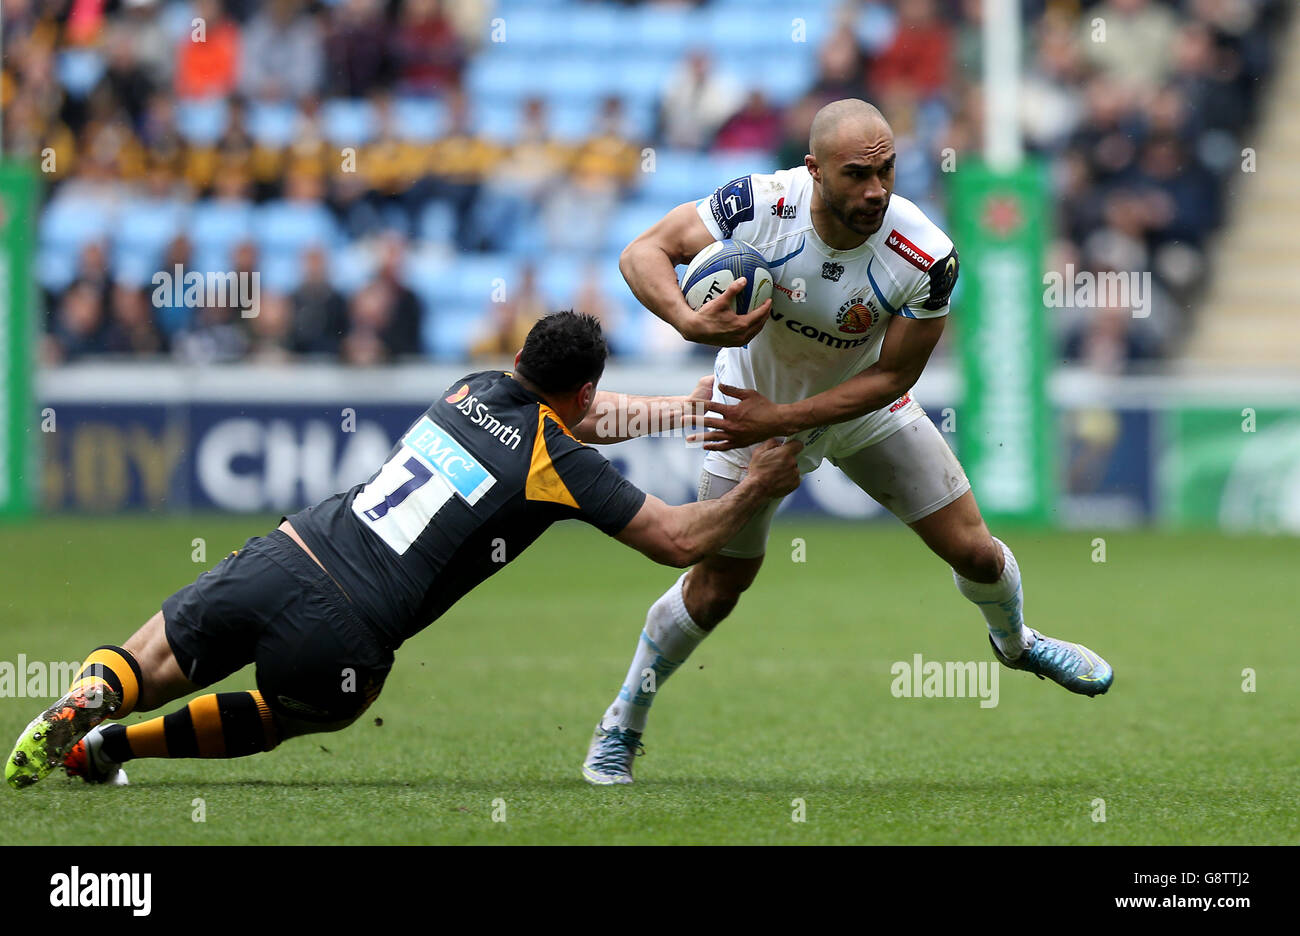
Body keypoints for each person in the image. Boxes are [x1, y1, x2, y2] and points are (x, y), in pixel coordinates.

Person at [6, 311, 802, 789]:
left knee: (150, 659)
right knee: (289, 715)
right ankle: (113, 746)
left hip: (291, 549)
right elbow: (676, 539)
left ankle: (95, 701)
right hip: (348, 629)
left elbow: (578, 414)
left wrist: (681, 411)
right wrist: (759, 482)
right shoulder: (554, 460)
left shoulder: (473, 386)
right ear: (584, 391)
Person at [581, 98, 1113, 786]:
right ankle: (622, 722)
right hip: (747, 406)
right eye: (858, 175)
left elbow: (894, 375)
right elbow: (642, 251)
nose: (876, 191)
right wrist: (688, 320)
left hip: (858, 409)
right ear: (813, 171)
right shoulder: (758, 206)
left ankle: (1016, 644)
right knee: (717, 587)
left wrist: (781, 422)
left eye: (887, 171)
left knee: (976, 551)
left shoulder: (926, 255)